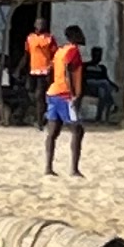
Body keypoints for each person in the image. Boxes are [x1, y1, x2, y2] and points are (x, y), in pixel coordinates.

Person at [42, 23, 92, 175]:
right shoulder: (73, 50)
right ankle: (74, 169)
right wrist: (73, 94)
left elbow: (50, 70)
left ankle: (48, 168)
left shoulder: (60, 51)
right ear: (75, 36)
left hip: (53, 92)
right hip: (65, 95)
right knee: (77, 130)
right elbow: (68, 69)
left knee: (52, 132)